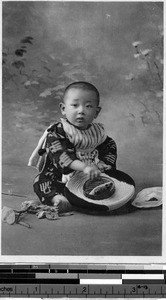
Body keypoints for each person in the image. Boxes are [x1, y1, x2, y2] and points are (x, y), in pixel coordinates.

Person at [28, 81, 117, 206]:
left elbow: (109, 146)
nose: (81, 111)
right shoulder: (58, 131)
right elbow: (61, 156)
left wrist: (103, 163)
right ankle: (57, 199)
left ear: (97, 112)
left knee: (107, 183)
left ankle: (92, 193)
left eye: (88, 106)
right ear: (63, 109)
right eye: (75, 105)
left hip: (90, 171)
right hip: (62, 174)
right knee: (42, 183)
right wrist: (84, 167)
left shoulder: (98, 132)